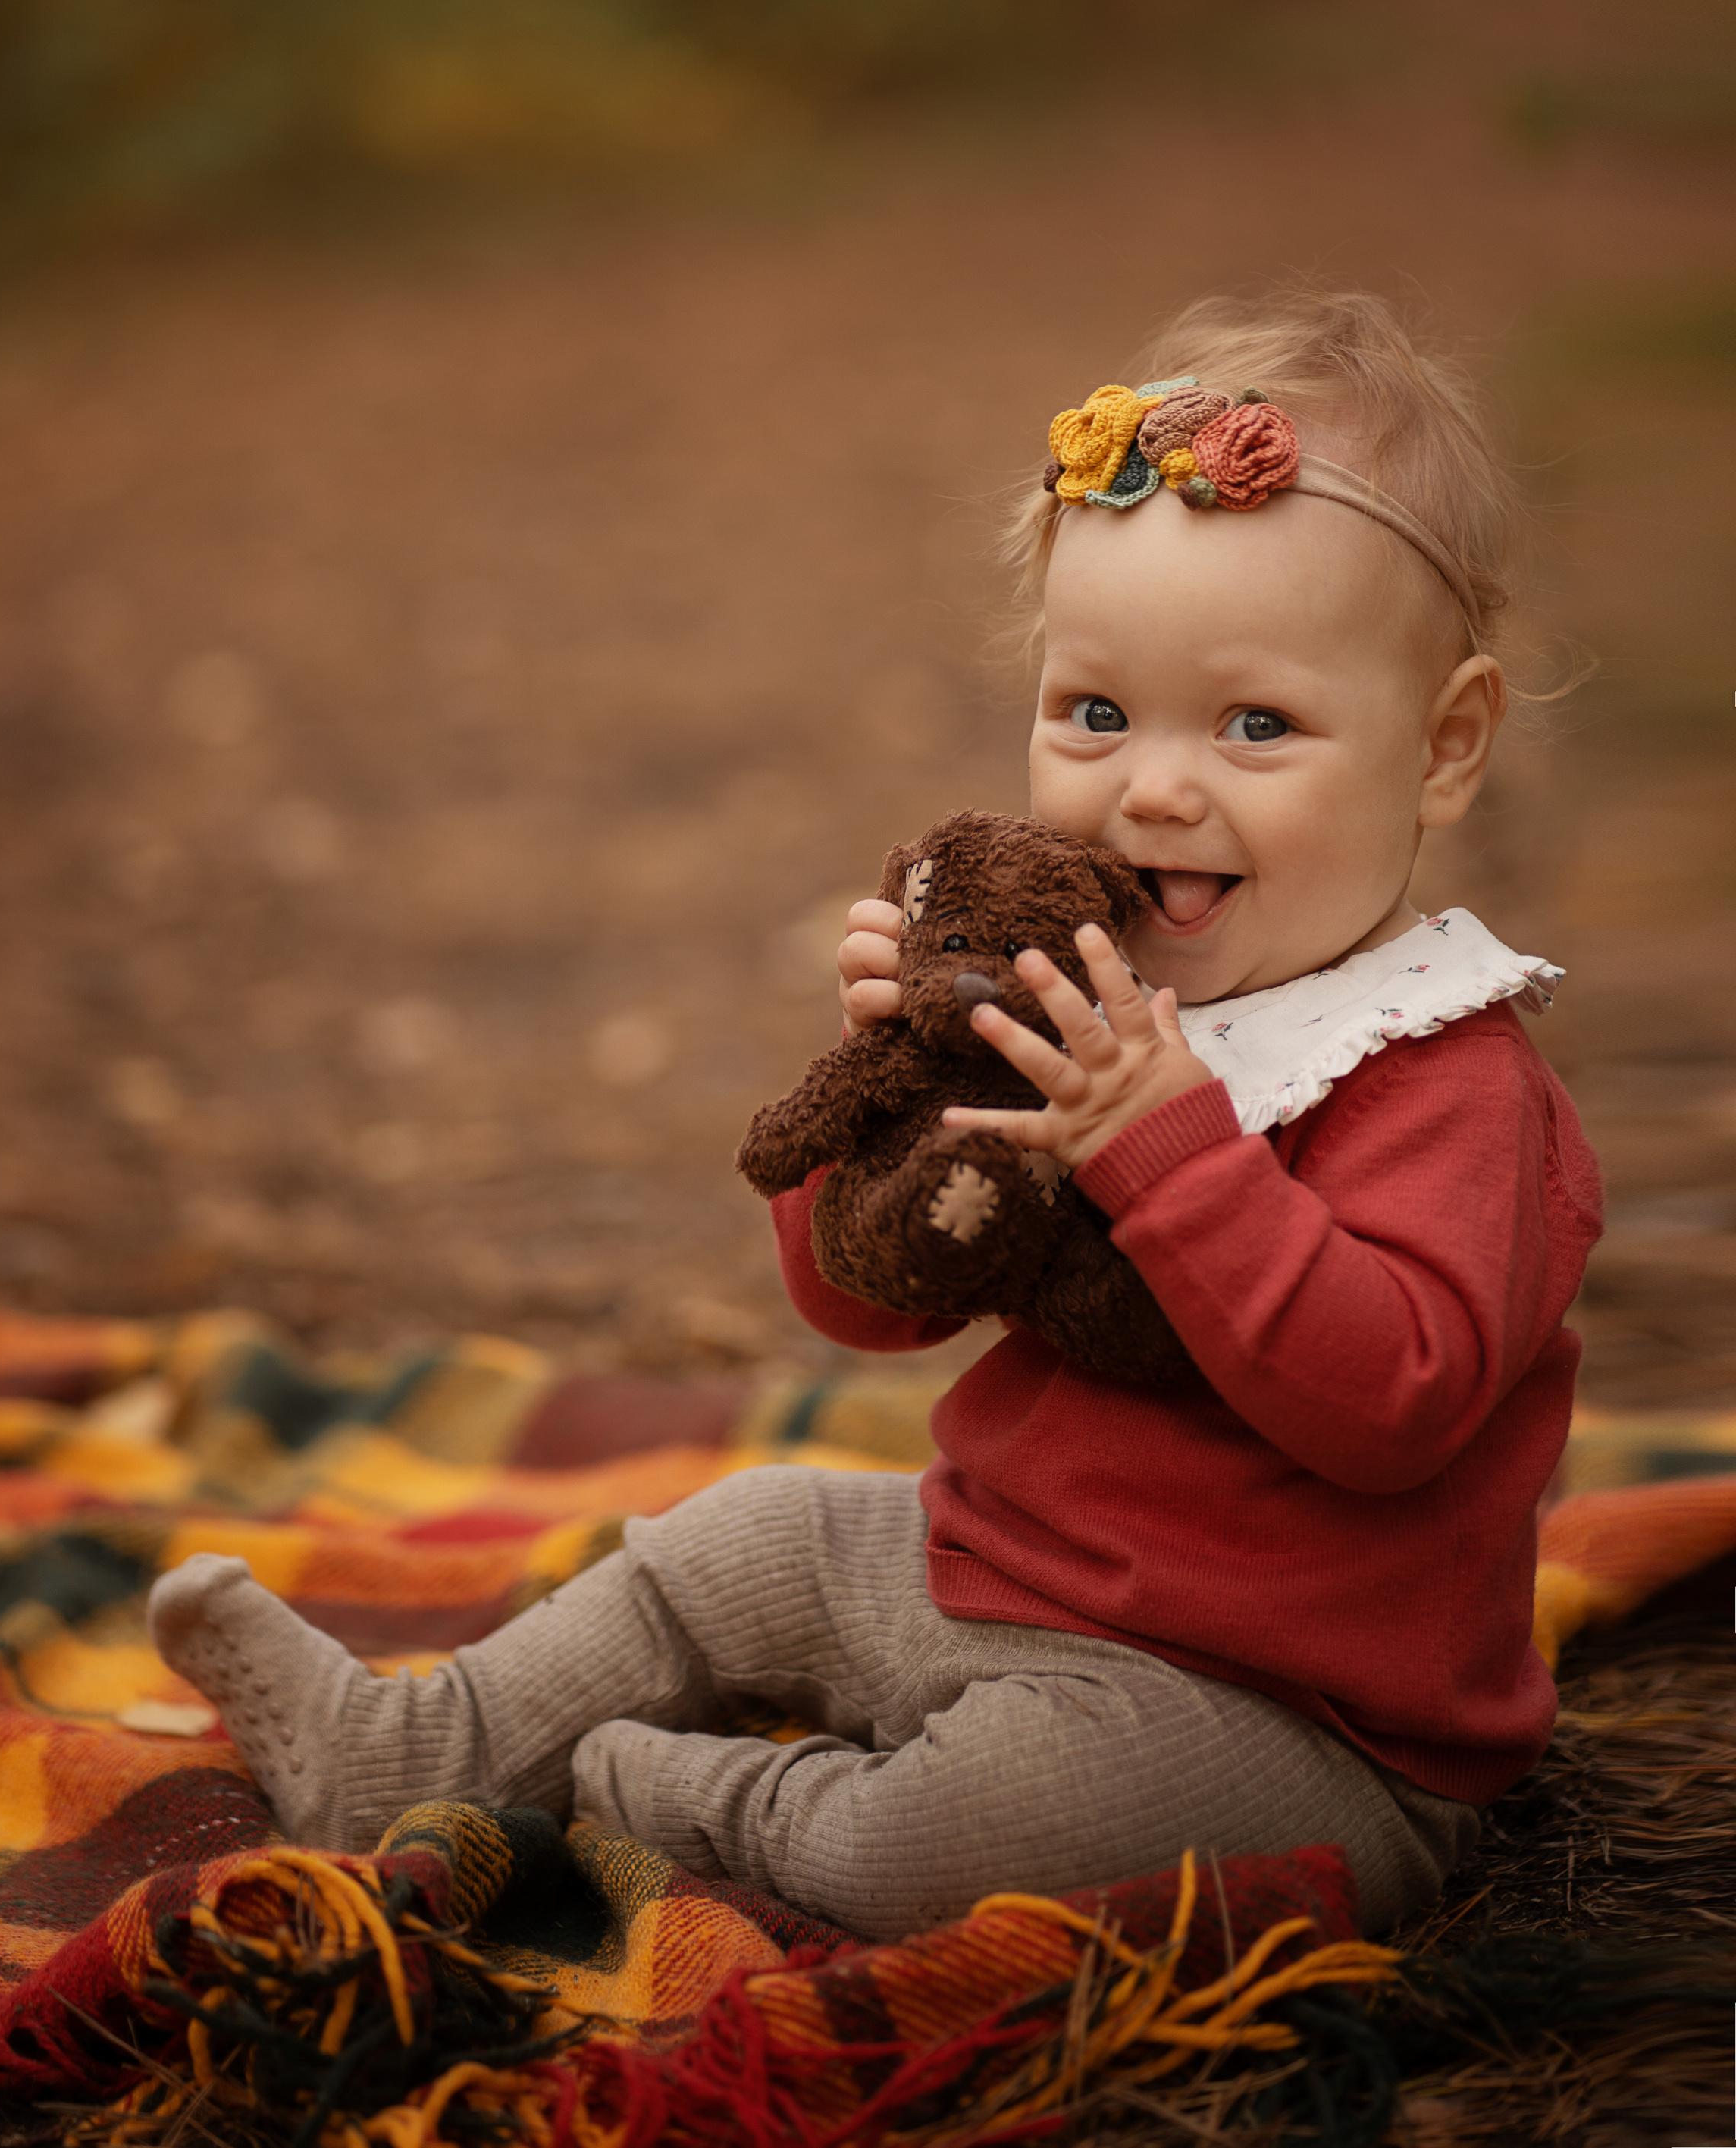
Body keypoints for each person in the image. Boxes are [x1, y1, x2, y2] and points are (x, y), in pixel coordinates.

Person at [148, 288, 1602, 1944]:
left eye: (1255, 725)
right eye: (1095, 713)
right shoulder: (1083, 986)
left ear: (1443, 745)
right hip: (989, 1565)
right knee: (745, 1535)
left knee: (947, 1844)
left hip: (1281, 1720)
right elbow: (863, 1302)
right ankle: (401, 1746)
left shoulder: (1443, 1076)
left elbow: (1389, 1401)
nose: (1154, 787)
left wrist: (1166, 1142)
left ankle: (661, 1793)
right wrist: (893, 1083)